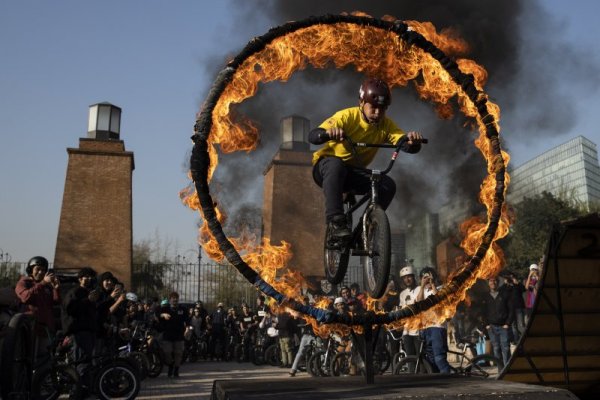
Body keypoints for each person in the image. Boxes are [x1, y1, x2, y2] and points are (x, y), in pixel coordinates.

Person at [308, 77, 424, 240]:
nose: (377, 113)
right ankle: (335, 222)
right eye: (373, 107)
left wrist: (413, 142)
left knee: (387, 184)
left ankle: (364, 230)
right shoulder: (346, 116)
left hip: (354, 174)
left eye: (382, 109)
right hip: (326, 169)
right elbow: (313, 136)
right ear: (362, 102)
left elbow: (404, 144)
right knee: (336, 165)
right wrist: (328, 134)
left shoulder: (386, 125)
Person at [61, 267, 99, 399]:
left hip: (89, 333)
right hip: (78, 333)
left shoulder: (90, 292)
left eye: (91, 276)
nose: (89, 279)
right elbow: (70, 309)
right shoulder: (75, 292)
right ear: (80, 278)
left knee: (86, 364)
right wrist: (88, 300)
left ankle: (84, 392)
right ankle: (75, 393)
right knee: (79, 364)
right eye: (86, 276)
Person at [15, 256, 60, 359]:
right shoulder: (24, 282)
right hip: (29, 329)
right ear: (31, 270)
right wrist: (43, 283)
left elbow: (56, 302)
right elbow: (25, 297)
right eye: (37, 269)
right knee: (27, 358)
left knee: (43, 360)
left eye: (43, 270)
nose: (40, 272)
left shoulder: (47, 286)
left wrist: (56, 289)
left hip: (45, 329)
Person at [416, 267, 451, 374]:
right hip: (426, 328)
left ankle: (451, 381)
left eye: (429, 277)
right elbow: (419, 303)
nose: (427, 280)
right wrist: (422, 286)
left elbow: (439, 302)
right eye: (424, 278)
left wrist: (432, 285)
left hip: (438, 327)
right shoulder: (421, 291)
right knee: (430, 361)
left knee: (439, 358)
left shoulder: (441, 289)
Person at [483, 277, 514, 369]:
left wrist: (507, 323)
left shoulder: (504, 294)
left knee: (506, 348)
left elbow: (511, 310)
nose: (493, 282)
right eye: (491, 281)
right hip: (492, 327)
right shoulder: (486, 296)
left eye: (495, 281)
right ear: (488, 283)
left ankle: (507, 370)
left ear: (498, 282)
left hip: (503, 327)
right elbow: (482, 311)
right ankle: (501, 371)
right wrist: (486, 325)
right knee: (496, 349)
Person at [157, 291, 190, 378]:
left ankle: (176, 370)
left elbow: (187, 321)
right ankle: (170, 365)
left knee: (178, 353)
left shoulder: (183, 309)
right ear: (170, 299)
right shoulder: (165, 308)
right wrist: (162, 315)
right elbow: (156, 314)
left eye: (176, 298)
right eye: (173, 298)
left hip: (179, 335)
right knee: (167, 352)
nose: (175, 300)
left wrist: (187, 329)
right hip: (168, 335)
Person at [398, 265, 421, 359]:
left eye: (409, 277)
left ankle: (424, 374)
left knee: (420, 358)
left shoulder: (420, 289)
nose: (407, 280)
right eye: (404, 278)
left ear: (413, 277)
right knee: (410, 357)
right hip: (406, 331)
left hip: (418, 330)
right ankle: (411, 374)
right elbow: (401, 309)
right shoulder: (402, 294)